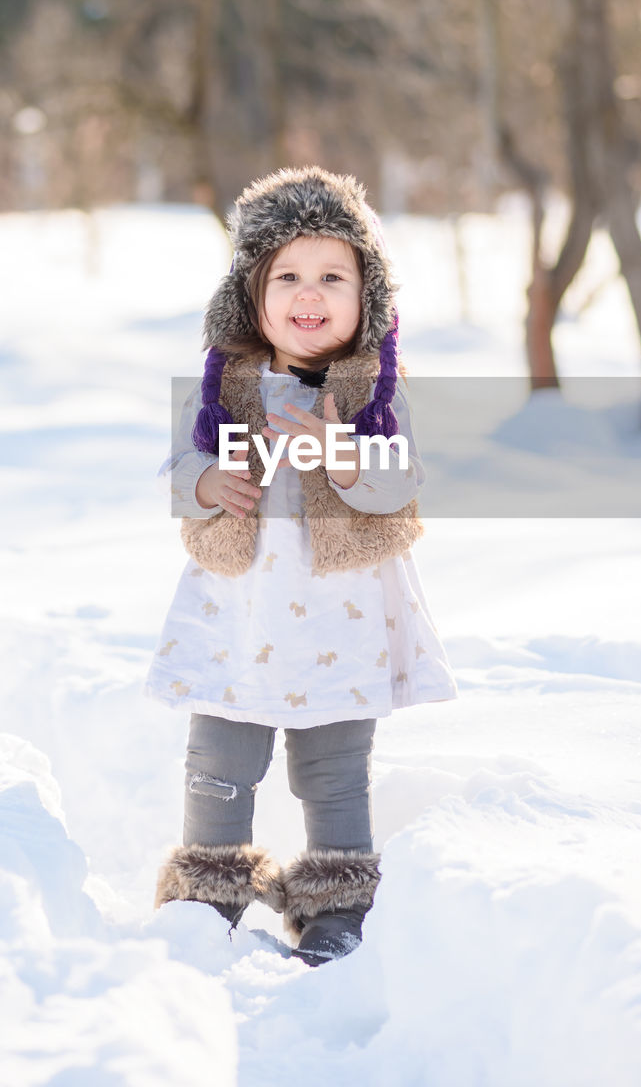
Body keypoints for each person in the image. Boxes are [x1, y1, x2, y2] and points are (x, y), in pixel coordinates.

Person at [146, 166, 457, 965]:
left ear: (367, 298)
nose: (307, 291)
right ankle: (208, 896)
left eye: (331, 275)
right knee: (218, 759)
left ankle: (336, 904)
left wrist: (342, 455)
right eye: (285, 274)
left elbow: (400, 483)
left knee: (333, 769)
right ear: (250, 293)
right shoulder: (230, 385)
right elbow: (178, 472)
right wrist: (206, 480)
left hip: (339, 614)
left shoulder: (372, 394)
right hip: (239, 614)